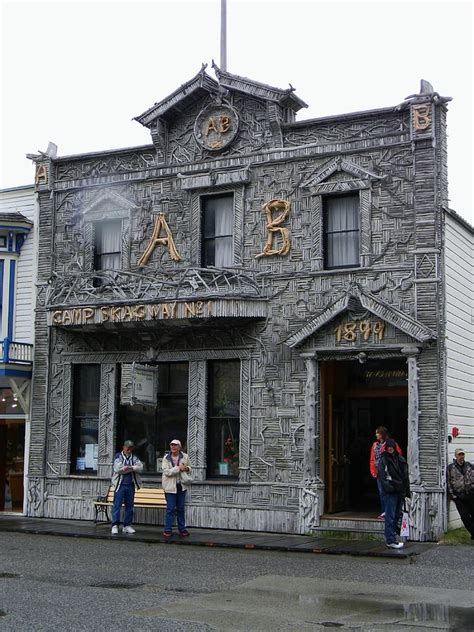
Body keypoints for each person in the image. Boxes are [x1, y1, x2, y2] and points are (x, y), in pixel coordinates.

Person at [378, 438, 410, 549]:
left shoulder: (401, 459)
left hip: (400, 491)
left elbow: (405, 476)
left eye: (392, 446)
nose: (390, 448)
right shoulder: (384, 460)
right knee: (390, 517)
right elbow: (382, 477)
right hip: (391, 492)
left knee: (397, 516)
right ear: (386, 448)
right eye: (388, 447)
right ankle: (390, 540)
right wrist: (390, 488)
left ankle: (394, 538)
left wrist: (406, 492)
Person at [111, 440, 143, 535]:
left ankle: (127, 525)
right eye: (127, 447)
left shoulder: (135, 457)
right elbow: (118, 469)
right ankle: (115, 525)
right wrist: (132, 468)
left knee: (130, 506)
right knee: (117, 505)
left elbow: (140, 467)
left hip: (130, 485)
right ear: (123, 447)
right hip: (120, 485)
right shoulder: (118, 456)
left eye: (131, 448)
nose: (129, 450)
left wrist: (128, 468)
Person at [369, 426, 402, 519]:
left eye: (377, 433)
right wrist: (373, 471)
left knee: (389, 491)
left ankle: (391, 511)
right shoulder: (375, 445)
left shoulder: (390, 443)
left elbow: (398, 454)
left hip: (388, 472)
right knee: (381, 492)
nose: (376, 435)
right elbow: (372, 459)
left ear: (381, 434)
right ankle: (384, 511)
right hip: (378, 472)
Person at [162, 439, 192, 538]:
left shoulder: (185, 456)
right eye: (171, 445)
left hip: (181, 486)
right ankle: (167, 530)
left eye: (175, 445)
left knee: (181, 509)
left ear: (179, 447)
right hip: (170, 487)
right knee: (170, 509)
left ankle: (182, 529)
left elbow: (190, 468)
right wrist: (178, 468)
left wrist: (186, 468)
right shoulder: (166, 458)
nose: (173, 447)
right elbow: (167, 472)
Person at [447, 448, 474, 540]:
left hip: (471, 495)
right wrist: (454, 496)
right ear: (455, 456)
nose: (461, 457)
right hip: (459, 497)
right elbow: (448, 483)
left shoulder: (469, 466)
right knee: (465, 517)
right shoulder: (450, 468)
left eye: (462, 454)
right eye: (459, 455)